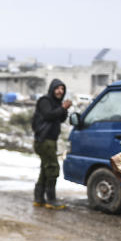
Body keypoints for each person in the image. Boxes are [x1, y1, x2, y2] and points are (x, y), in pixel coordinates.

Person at [32, 79, 73, 209]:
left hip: (51, 140)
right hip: (44, 140)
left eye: (62, 89)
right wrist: (62, 108)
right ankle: (51, 199)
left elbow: (60, 118)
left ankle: (39, 198)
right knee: (53, 168)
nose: (60, 91)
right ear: (52, 89)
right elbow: (49, 115)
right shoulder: (45, 101)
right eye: (57, 88)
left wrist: (64, 109)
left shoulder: (57, 104)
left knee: (45, 169)